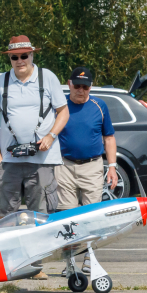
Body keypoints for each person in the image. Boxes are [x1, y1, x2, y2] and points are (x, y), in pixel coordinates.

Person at [0, 35, 70, 280]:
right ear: (10, 59)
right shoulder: (1, 82)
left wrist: (51, 136)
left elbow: (63, 112)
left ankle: (35, 266)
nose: (20, 60)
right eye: (15, 57)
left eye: (24, 55)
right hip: (9, 160)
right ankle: (2, 264)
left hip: (42, 159)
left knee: (39, 213)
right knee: (4, 213)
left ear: (32, 55)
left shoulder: (47, 78)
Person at [56, 67, 118, 275]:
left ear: (90, 87)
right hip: (64, 165)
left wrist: (112, 167)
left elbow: (109, 137)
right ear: (69, 84)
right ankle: (70, 262)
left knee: (91, 216)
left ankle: (89, 258)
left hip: (92, 166)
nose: (81, 90)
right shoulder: (60, 105)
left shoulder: (99, 106)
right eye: (77, 86)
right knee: (67, 217)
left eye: (85, 86)